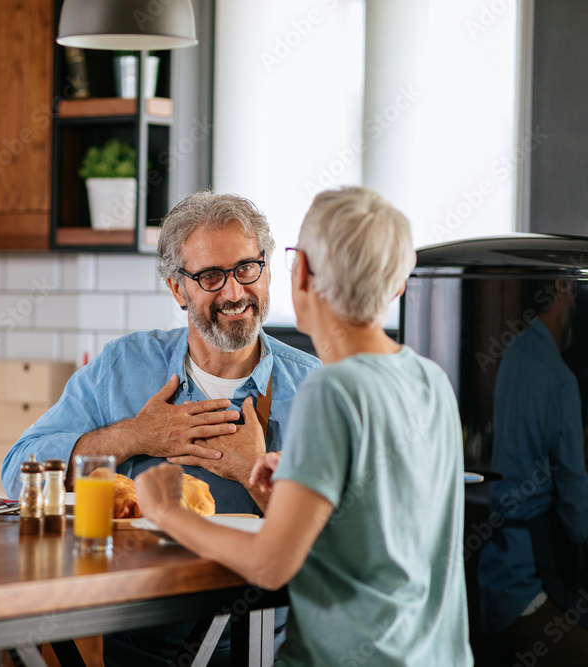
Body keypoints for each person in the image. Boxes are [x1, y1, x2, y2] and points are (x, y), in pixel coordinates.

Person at [135, 186, 473, 666]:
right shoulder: (430, 378)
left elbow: (270, 564)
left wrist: (167, 512)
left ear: (302, 274)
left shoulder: (329, 391)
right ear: (398, 284)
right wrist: (304, 479)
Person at [1, 190, 321, 664]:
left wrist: (254, 470)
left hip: (264, 649)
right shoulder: (123, 366)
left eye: (246, 269)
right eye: (210, 276)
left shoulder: (317, 388)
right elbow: (17, 470)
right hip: (138, 646)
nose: (233, 292)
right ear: (178, 289)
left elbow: (338, 559)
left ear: (268, 269)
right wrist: (134, 436)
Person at [478, 275, 588, 665]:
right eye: (572, 288)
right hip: (528, 583)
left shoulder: (513, 353)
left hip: (495, 575)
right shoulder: (559, 378)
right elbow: (574, 489)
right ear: (561, 288)